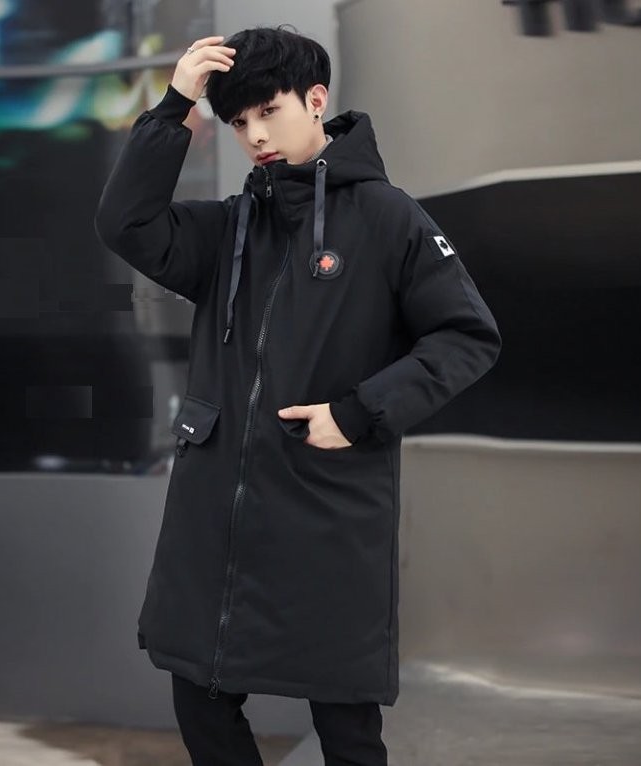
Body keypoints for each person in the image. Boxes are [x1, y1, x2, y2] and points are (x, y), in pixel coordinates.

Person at [94, 25, 501, 766]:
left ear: (315, 100)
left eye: (268, 112)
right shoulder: (227, 229)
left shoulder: (388, 217)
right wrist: (175, 104)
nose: (255, 135)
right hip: (215, 514)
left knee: (346, 728)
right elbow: (125, 223)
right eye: (238, 121)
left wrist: (359, 412)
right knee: (200, 699)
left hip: (326, 509)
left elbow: (466, 336)